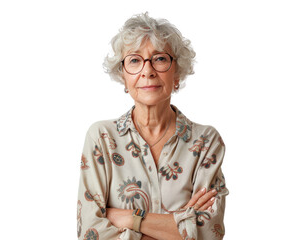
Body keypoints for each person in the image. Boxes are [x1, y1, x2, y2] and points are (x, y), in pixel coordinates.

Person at [77, 12, 228, 240]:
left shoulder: (205, 142)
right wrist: (181, 227)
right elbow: (91, 233)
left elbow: (208, 233)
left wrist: (131, 218)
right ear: (124, 77)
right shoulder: (102, 138)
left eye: (159, 59)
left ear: (177, 73)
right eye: (135, 60)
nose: (147, 71)